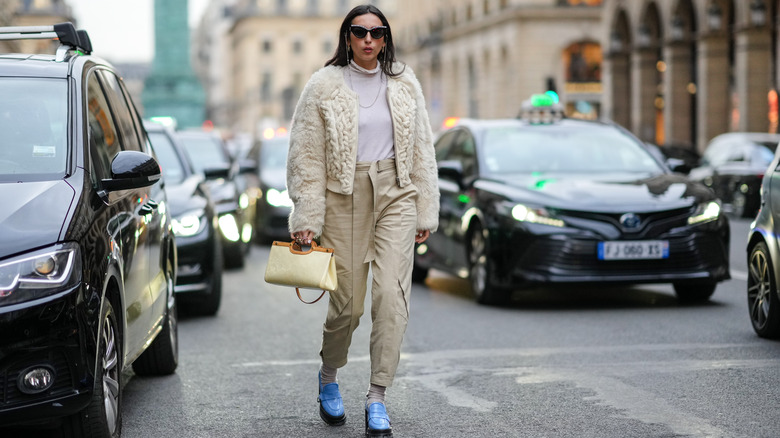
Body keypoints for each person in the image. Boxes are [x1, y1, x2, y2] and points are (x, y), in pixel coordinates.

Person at [286, 4, 439, 437]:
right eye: (359, 32)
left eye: (377, 32)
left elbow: (423, 147)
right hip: (342, 194)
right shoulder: (323, 85)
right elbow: (306, 155)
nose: (368, 39)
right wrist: (307, 216)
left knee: (391, 296)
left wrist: (425, 205)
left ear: (386, 38)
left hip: (397, 190)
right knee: (348, 304)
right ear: (348, 37)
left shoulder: (404, 81)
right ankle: (329, 375)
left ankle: (377, 396)